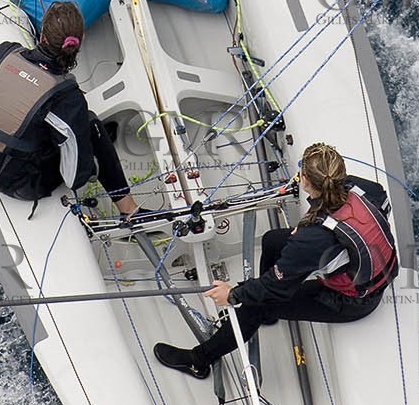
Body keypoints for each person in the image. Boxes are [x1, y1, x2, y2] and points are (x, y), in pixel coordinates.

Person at [154, 141, 398, 379]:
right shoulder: (364, 189)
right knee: (272, 240)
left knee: (257, 305)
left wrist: (232, 294)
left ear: (305, 181)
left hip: (350, 301)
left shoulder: (311, 240)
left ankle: (199, 360)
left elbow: (273, 285)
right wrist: (319, 233)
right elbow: (373, 216)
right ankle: (271, 314)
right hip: (357, 267)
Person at [0, 0, 157, 218]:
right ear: (80, 44)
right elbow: (73, 178)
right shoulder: (68, 98)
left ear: (42, 36)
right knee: (91, 125)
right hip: (20, 186)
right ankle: (128, 210)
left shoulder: (5, 52)